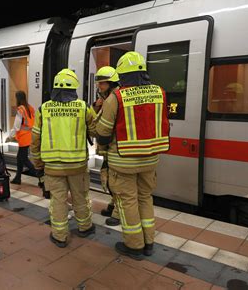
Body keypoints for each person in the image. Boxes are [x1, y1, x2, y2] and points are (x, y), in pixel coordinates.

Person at [95, 51, 170, 260]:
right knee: (145, 198)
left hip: (124, 161)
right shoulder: (160, 93)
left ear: (122, 76)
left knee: (128, 201)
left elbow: (102, 132)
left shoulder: (116, 98)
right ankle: (149, 242)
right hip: (151, 159)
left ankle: (134, 245)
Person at [30, 68, 96, 248]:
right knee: (80, 197)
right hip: (77, 166)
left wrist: (37, 163)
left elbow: (35, 139)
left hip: (52, 167)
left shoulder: (43, 109)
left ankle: (60, 236)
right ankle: (85, 227)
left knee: (57, 200)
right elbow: (97, 130)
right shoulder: (83, 107)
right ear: (74, 87)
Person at [92, 66, 121, 227]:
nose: (99, 86)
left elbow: (103, 125)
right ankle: (113, 205)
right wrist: (96, 105)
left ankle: (117, 212)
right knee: (110, 179)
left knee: (113, 181)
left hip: (114, 147)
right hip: (109, 148)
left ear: (111, 83)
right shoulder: (106, 98)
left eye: (102, 83)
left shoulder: (114, 98)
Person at [5, 90, 37, 184]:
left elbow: (17, 126)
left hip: (24, 137)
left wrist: (10, 136)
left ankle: (39, 175)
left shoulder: (20, 110)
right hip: (29, 135)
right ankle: (18, 178)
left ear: (18, 98)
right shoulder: (29, 108)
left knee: (23, 159)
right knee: (21, 158)